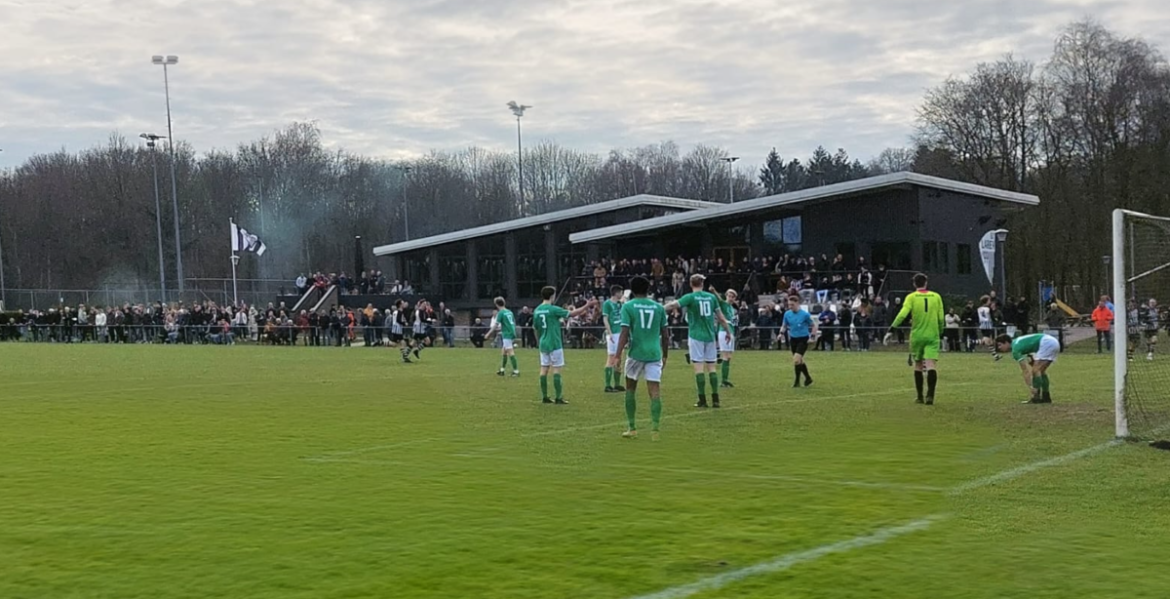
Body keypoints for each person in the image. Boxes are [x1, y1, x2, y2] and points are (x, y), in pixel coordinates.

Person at [664, 274, 732, 408]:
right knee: (712, 367)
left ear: (691, 284)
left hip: (696, 336)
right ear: (702, 284)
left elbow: (673, 304)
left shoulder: (690, 297)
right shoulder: (711, 297)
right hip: (710, 336)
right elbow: (721, 317)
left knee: (698, 367)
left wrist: (658, 308)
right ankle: (716, 399)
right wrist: (728, 331)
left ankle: (702, 399)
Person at [616, 276, 670, 439]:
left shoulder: (628, 306)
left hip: (636, 353)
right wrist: (665, 354)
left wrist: (617, 355)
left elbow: (624, 333)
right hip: (654, 353)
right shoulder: (658, 307)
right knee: (654, 391)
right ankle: (655, 430)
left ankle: (632, 428)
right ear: (648, 289)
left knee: (630, 389)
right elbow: (666, 335)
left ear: (632, 289)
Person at [886, 273, 946, 405]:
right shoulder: (936, 297)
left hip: (917, 335)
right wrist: (941, 331)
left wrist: (892, 329)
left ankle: (920, 396)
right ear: (926, 283)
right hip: (932, 335)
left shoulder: (911, 297)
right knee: (931, 365)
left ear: (914, 284)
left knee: (918, 365)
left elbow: (902, 314)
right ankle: (930, 396)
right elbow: (941, 318)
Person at [532, 286, 596, 404]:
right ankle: (558, 397)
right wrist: (587, 306)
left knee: (544, 369)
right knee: (556, 369)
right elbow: (572, 314)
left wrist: (539, 340)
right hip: (554, 342)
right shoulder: (553, 309)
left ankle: (545, 396)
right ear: (552, 296)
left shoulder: (537, 310)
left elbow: (535, 328)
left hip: (543, 343)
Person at [996, 333, 1060, 404]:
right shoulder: (1017, 342)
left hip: (1046, 343)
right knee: (1041, 371)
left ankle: (1036, 397)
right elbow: (1030, 356)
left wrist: (1031, 387)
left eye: (1000, 345)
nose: (999, 348)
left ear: (1006, 343)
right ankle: (1046, 397)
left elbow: (1025, 370)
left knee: (1036, 370)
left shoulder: (1015, 349)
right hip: (1053, 341)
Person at [780, 295, 818, 387]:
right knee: (799, 360)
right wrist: (781, 333)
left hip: (803, 339)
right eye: (789, 305)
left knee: (796, 360)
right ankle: (808, 378)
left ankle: (797, 381)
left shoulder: (805, 315)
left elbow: (814, 325)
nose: (790, 307)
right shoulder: (787, 314)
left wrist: (812, 336)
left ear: (797, 303)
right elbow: (784, 325)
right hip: (793, 339)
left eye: (792, 305)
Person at [601, 285, 626, 393]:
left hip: (620, 333)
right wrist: (609, 333)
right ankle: (607, 385)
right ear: (617, 293)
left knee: (619, 358)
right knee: (611, 358)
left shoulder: (621, 304)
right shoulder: (607, 304)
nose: (622, 295)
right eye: (621, 292)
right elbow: (605, 319)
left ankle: (616, 384)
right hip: (613, 334)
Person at [484, 297, 519, 376]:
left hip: (507, 334)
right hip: (511, 332)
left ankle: (516, 371)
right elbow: (512, 323)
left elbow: (495, 325)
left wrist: (488, 334)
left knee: (510, 351)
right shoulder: (509, 312)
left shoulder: (501, 313)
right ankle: (502, 370)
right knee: (504, 351)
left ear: (496, 304)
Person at [714, 288, 739, 388]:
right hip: (724, 332)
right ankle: (723, 381)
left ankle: (725, 379)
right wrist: (714, 291)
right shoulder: (724, 305)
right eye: (729, 296)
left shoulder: (733, 310)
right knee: (725, 356)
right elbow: (719, 299)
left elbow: (735, 323)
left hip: (731, 332)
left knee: (729, 357)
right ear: (726, 296)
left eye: (733, 297)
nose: (731, 298)